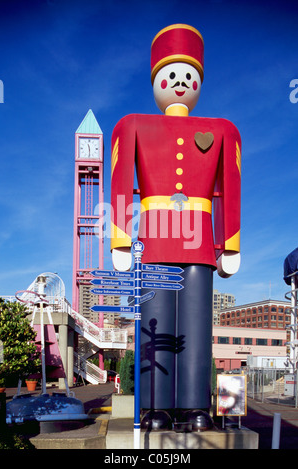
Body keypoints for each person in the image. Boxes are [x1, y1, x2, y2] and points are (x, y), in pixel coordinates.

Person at [111, 24, 241, 430]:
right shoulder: (131, 124)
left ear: (199, 81)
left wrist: (230, 243)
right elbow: (118, 178)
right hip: (153, 238)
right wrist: (119, 236)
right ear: (156, 81)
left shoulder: (224, 130)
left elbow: (230, 187)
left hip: (200, 242)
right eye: (172, 76)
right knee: (156, 328)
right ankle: (155, 407)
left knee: (197, 327)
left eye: (189, 76)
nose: (181, 83)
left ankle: (194, 407)